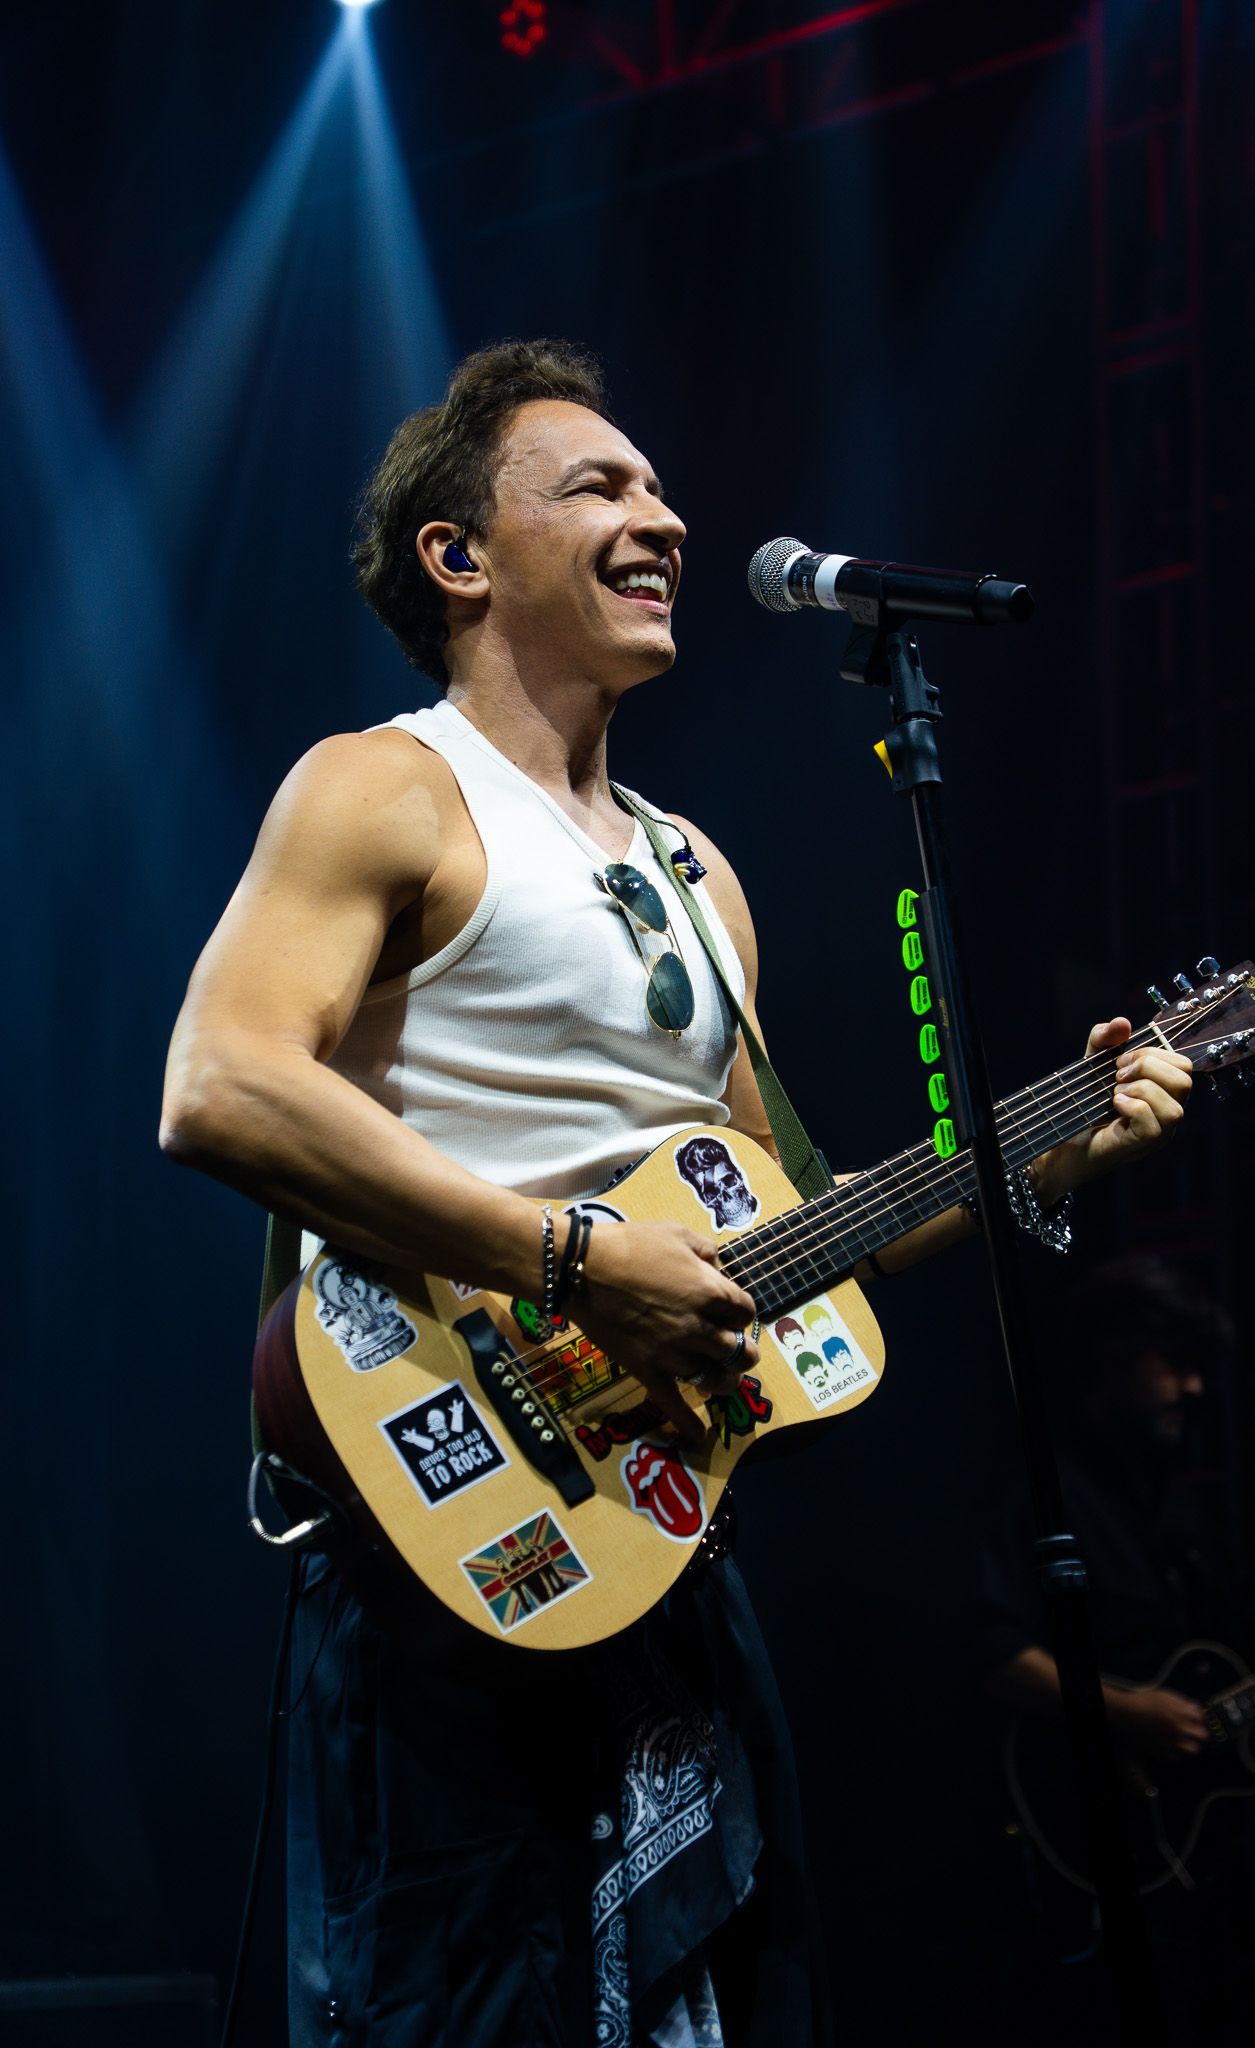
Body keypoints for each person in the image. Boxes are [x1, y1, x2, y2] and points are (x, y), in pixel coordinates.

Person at [160, 339, 1193, 2047]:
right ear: (458, 555)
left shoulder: (695, 869)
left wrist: (1053, 1144)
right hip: (449, 1505)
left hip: (649, 1533)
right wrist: (575, 1261)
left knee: (718, 2003)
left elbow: (794, 1232)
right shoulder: (386, 785)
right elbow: (222, 1082)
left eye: (659, 486)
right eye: (602, 487)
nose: (668, 516)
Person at [975, 1256, 1255, 2045]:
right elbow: (987, 1647)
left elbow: (1238, 1616)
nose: (1193, 1389)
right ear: (1112, 1360)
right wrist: (1126, 1712)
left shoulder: (1167, 1496)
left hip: (1182, 1848)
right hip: (1081, 1826)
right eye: (1174, 1364)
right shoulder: (1032, 1489)